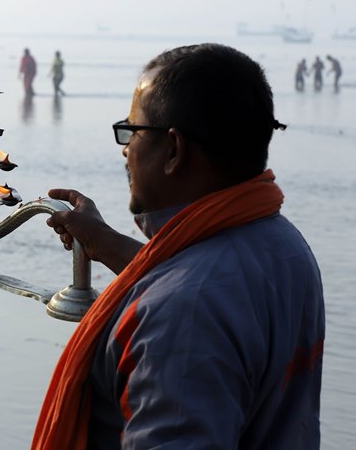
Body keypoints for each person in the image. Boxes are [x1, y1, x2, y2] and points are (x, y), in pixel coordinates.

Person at [35, 44, 324, 449]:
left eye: (132, 132)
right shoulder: (283, 246)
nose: (125, 149)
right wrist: (105, 242)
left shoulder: (179, 316)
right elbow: (202, 280)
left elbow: (188, 298)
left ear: (173, 150)